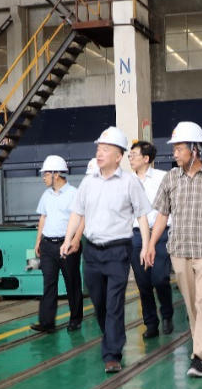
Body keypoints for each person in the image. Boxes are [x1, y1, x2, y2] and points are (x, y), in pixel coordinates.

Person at [144, 121, 202, 378]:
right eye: (174, 149)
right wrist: (151, 244)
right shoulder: (170, 178)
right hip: (180, 249)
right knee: (191, 303)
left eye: (179, 148)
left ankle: (199, 357)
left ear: (195, 150)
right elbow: (162, 215)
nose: (174, 153)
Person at [62, 127, 151, 374]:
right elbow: (76, 213)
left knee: (113, 304)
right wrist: (68, 239)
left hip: (118, 252)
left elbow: (142, 215)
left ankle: (112, 354)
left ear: (118, 156)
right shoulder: (88, 182)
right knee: (100, 304)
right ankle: (111, 337)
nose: (99, 153)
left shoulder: (130, 183)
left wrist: (145, 246)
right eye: (99, 149)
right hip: (92, 253)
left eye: (106, 149)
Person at [128, 140, 174, 339]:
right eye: (129, 155)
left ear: (146, 158)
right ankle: (151, 323)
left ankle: (167, 313)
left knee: (160, 278)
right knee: (143, 282)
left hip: (160, 233)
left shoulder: (163, 178)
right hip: (136, 235)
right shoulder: (127, 181)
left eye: (134, 155)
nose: (130, 159)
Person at [32, 155, 83, 334]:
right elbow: (43, 217)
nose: (43, 178)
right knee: (49, 283)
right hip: (48, 245)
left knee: (72, 282)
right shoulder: (46, 195)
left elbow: (81, 218)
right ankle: (47, 322)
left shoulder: (74, 193)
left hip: (67, 245)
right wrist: (38, 240)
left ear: (56, 174)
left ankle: (75, 319)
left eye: (46, 174)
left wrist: (76, 239)